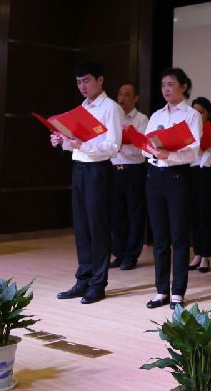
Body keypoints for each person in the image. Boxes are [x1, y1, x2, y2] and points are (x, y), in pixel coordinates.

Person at [52, 60, 123, 305]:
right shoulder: (81, 108)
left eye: (86, 80)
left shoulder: (111, 108)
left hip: (98, 171)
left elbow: (113, 146)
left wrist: (82, 145)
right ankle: (83, 280)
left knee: (98, 228)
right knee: (82, 228)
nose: (82, 86)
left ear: (100, 80)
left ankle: (98, 284)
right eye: (78, 82)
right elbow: (74, 141)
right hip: (79, 170)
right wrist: (61, 141)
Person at [143, 67, 202, 310]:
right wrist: (151, 149)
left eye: (171, 85)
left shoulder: (191, 115)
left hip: (178, 176)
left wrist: (170, 154)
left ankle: (177, 292)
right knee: (159, 238)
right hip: (154, 176)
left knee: (178, 237)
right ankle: (161, 291)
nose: (166, 89)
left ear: (183, 87)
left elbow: (194, 151)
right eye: (163, 85)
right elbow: (145, 144)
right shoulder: (156, 115)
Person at [109, 82, 148, 271]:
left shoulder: (142, 119)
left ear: (136, 99)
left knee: (135, 214)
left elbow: (143, 148)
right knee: (117, 214)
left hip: (134, 170)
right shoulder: (113, 117)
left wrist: (122, 146)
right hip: (114, 170)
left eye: (126, 95)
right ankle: (119, 253)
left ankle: (131, 255)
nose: (121, 98)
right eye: (119, 94)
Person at [188, 97, 211, 273]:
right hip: (190, 175)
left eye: (201, 112)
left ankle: (205, 256)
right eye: (194, 111)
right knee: (194, 217)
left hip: (206, 175)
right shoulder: (189, 132)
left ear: (208, 114)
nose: (197, 115)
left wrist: (203, 151)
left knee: (204, 216)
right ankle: (197, 253)